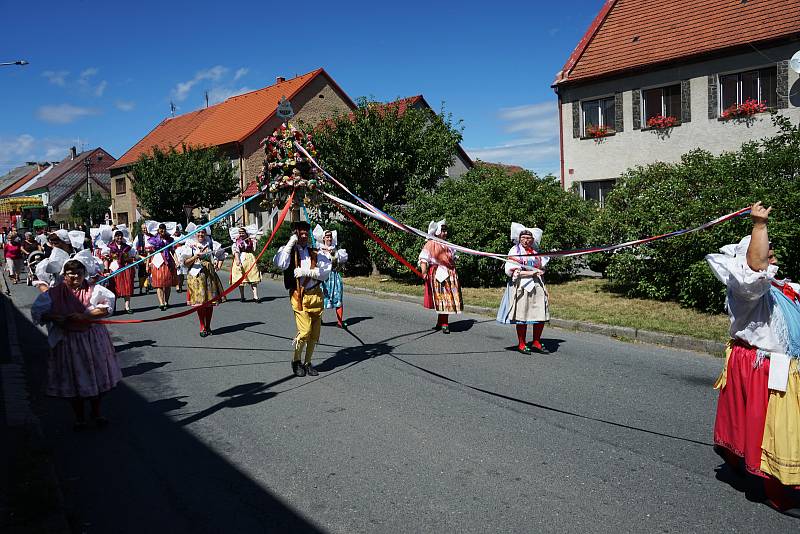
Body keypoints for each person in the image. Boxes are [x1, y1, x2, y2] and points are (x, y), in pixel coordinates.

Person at [706, 201, 800, 511]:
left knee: (761, 424)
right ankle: (778, 490)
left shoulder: (785, 288)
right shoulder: (746, 291)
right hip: (764, 367)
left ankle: (734, 455)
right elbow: (755, 270)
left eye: (772, 251)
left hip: (783, 367)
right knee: (776, 429)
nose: (771, 258)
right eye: (766, 252)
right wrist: (759, 225)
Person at [30, 258, 121, 430]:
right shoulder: (54, 293)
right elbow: (38, 312)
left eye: (79, 274)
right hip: (68, 340)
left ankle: (96, 412)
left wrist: (86, 315)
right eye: (71, 275)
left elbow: (106, 307)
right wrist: (53, 317)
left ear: (84, 274)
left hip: (92, 338)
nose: (75, 278)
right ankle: (79, 417)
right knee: (73, 379)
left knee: (97, 374)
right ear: (64, 275)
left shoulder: (94, 290)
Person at [273, 220, 331, 377]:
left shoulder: (315, 252)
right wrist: (291, 243)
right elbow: (280, 264)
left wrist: (308, 272)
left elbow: (326, 271)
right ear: (295, 233)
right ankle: (296, 360)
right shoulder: (287, 251)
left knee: (314, 333)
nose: (304, 235)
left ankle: (307, 362)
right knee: (304, 331)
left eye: (306, 232)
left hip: (316, 295)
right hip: (299, 296)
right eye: (300, 232)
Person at [496, 223, 550, 354]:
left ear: (533, 240)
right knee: (522, 314)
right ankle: (522, 343)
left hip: (536, 285)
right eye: (524, 237)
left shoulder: (536, 253)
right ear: (519, 239)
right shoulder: (515, 251)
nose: (526, 240)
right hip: (521, 285)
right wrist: (529, 273)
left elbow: (541, 266)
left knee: (540, 313)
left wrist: (541, 271)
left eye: (529, 238)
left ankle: (536, 341)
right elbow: (510, 270)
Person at [179, 228, 226, 337]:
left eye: (203, 232)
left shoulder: (211, 243)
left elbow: (221, 254)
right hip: (196, 276)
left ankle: (208, 325)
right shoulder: (189, 245)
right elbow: (185, 263)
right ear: (195, 233)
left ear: (206, 233)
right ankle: (202, 326)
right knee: (199, 303)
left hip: (209, 275)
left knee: (210, 302)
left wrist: (218, 264)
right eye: (198, 232)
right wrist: (195, 256)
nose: (201, 234)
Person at [418, 220, 462, 334]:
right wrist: (424, 271)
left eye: (446, 230)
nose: (445, 233)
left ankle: (440, 322)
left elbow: (452, 257)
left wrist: (455, 258)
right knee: (443, 298)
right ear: (437, 232)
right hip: (438, 275)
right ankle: (444, 323)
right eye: (443, 230)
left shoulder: (447, 245)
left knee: (445, 299)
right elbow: (424, 258)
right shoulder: (431, 243)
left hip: (449, 274)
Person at [313, 225, 349, 328]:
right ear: (323, 238)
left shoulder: (336, 250)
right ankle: (319, 320)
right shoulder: (319, 250)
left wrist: (336, 256)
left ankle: (339, 321)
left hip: (334, 277)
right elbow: (316, 263)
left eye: (330, 237)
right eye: (327, 237)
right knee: (321, 299)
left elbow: (342, 262)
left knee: (338, 298)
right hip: (324, 277)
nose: (329, 238)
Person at [147, 223, 176, 311]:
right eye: (160, 228)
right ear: (158, 230)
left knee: (167, 283)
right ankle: (161, 302)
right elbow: (149, 253)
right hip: (157, 262)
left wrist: (176, 261)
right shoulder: (153, 240)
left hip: (167, 262)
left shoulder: (170, 239)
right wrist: (147, 263)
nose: (162, 230)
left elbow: (172, 251)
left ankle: (166, 301)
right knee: (159, 283)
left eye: (163, 228)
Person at [231, 226, 262, 302]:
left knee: (253, 277)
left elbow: (254, 250)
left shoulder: (250, 240)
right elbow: (236, 251)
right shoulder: (237, 241)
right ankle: (242, 296)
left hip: (250, 259)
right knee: (240, 278)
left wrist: (255, 242)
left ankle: (255, 296)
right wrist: (237, 260)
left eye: (243, 233)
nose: (241, 234)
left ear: (246, 233)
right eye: (240, 233)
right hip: (241, 259)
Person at [108, 230, 135, 314]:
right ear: (114, 237)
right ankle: (113, 307)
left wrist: (129, 259)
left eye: (120, 236)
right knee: (114, 288)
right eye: (117, 236)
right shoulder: (110, 247)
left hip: (125, 268)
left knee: (127, 287)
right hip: (115, 268)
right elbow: (107, 258)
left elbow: (132, 257)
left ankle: (127, 307)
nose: (119, 237)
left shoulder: (127, 247)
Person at [134, 223, 151, 295]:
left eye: (146, 228)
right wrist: (137, 256)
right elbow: (134, 246)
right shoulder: (139, 236)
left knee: (148, 273)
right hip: (141, 257)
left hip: (150, 257)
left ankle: (147, 286)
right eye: (144, 228)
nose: (145, 229)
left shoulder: (151, 236)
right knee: (141, 273)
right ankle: (141, 288)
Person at [172, 224, 187, 293]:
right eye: (175, 230)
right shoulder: (171, 238)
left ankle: (180, 285)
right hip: (175, 256)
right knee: (176, 272)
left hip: (182, 255)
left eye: (177, 229)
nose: (176, 231)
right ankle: (177, 285)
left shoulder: (184, 237)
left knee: (181, 272)